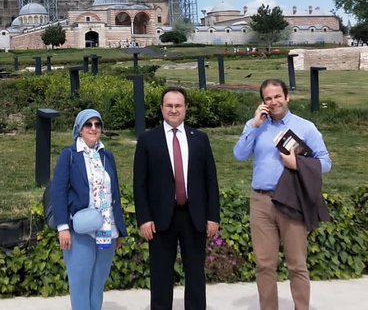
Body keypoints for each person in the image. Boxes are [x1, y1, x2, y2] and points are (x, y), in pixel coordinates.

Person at [233, 79, 331, 310]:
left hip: (291, 200)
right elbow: (238, 155)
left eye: (277, 96)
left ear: (287, 97)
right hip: (261, 201)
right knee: (264, 265)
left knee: (297, 264)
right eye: (268, 98)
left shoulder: (305, 127)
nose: (273, 101)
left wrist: (297, 163)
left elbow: (325, 163)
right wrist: (254, 127)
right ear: (263, 102)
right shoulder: (254, 125)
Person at [133, 86, 220, 310]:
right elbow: (139, 184)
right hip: (161, 220)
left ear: (185, 109)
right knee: (161, 275)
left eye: (178, 106)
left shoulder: (200, 139)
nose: (173, 110)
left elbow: (211, 180)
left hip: (194, 216)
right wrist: (144, 219)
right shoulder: (147, 140)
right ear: (162, 109)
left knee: (195, 274)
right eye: (169, 106)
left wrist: (213, 217)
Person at [51, 109, 127, 310]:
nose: (93, 128)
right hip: (80, 231)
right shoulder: (69, 156)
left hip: (106, 231)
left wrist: (118, 230)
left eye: (97, 124)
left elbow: (115, 194)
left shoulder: (106, 157)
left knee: (97, 285)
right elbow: (58, 192)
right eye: (88, 124)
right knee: (80, 285)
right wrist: (63, 228)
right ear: (79, 129)